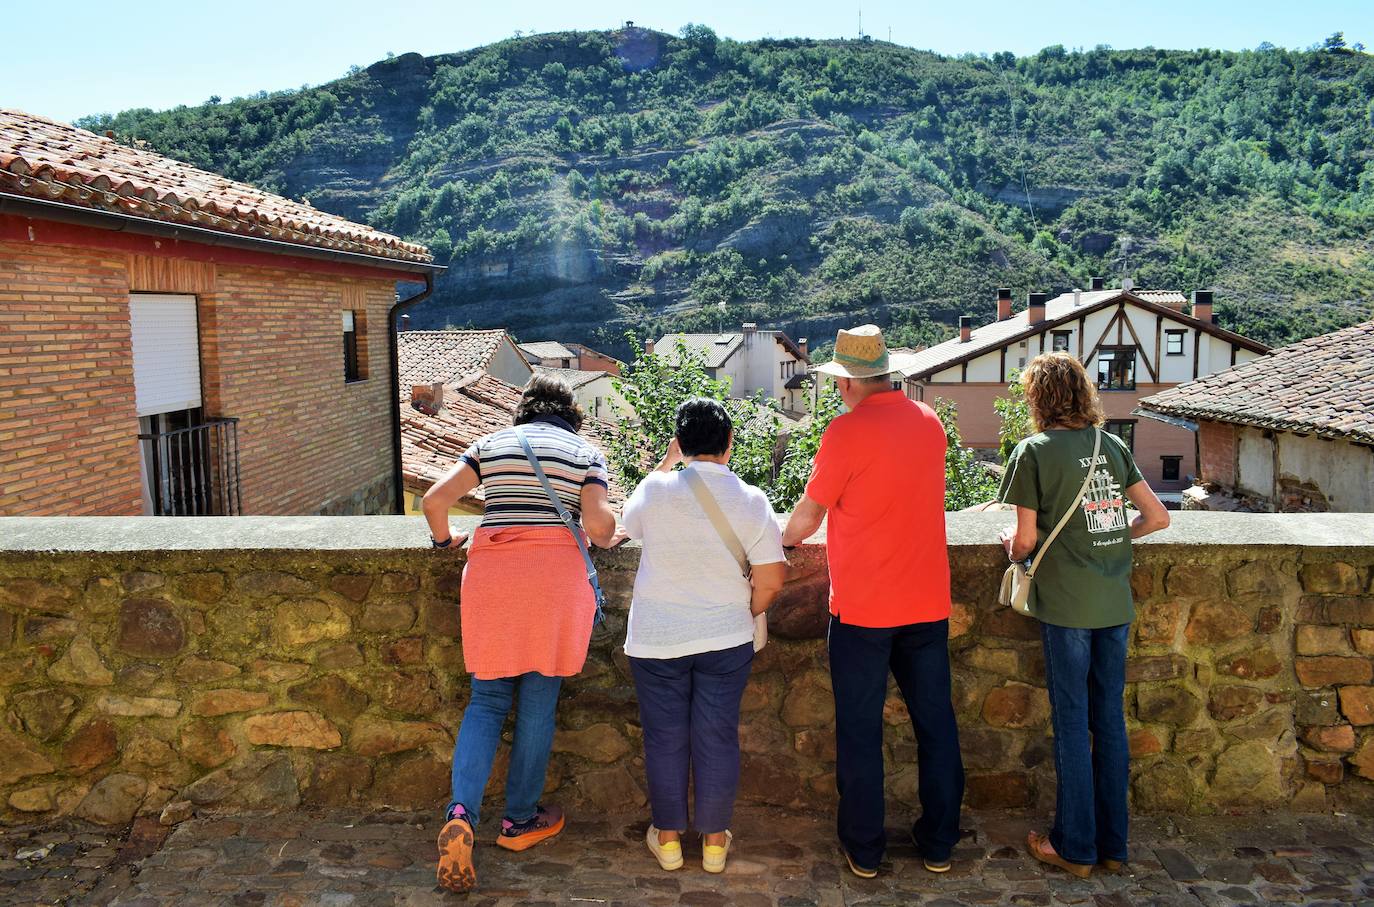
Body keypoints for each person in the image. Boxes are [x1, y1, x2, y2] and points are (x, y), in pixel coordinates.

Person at [422, 373, 624, 893]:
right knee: (539, 700)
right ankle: (519, 820)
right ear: (570, 413)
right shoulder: (584, 452)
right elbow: (600, 529)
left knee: (486, 700)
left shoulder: (490, 445)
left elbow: (434, 502)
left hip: (492, 580)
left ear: (524, 409)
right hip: (556, 585)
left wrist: (446, 545)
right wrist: (608, 530)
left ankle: (462, 813)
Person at [781, 324, 964, 879]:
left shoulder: (845, 432)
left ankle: (864, 849)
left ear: (846, 383)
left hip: (862, 609)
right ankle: (938, 844)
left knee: (861, 729)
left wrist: (783, 541)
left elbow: (810, 516)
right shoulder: (930, 423)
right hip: (927, 601)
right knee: (936, 723)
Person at [996, 352, 1169, 878]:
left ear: (1039, 398)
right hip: (1113, 601)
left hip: (1067, 604)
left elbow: (1025, 540)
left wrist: (1012, 549)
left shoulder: (1033, 451)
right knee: (1109, 722)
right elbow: (1157, 517)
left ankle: (1074, 847)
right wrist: (1117, 538)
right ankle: (1114, 846)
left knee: (1072, 723)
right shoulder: (1112, 444)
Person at [622, 398, 788, 874]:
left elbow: (627, 523)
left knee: (664, 737)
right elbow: (772, 579)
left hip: (657, 639)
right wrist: (743, 612)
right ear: (729, 444)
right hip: (725, 638)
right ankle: (715, 845)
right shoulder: (753, 501)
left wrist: (667, 461)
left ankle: (669, 842)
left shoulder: (654, 491)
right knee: (717, 737)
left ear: (679, 443)